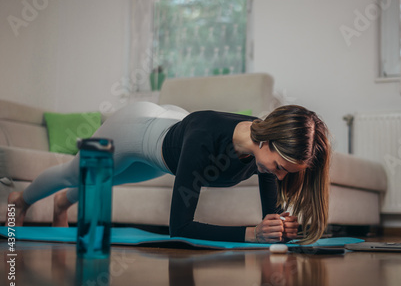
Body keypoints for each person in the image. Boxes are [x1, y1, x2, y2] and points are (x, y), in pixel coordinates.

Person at [6, 102, 332, 244]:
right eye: (279, 167)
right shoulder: (206, 139)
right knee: (72, 172)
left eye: (284, 172)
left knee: (104, 180)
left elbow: (269, 218)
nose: (277, 176)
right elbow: (179, 228)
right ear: (267, 142)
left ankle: (63, 204)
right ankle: (19, 200)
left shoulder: (262, 149)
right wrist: (252, 233)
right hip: (136, 132)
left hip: (169, 136)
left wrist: (275, 226)